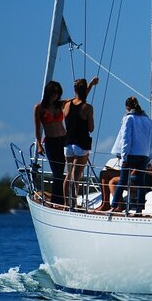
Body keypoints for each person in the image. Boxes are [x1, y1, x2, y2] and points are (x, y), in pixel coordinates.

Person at [109, 97, 152, 213]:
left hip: (130, 154)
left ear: (127, 108)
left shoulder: (128, 119)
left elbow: (126, 139)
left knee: (123, 180)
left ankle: (114, 206)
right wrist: (150, 159)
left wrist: (124, 157)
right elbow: (151, 141)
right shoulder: (148, 120)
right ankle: (139, 209)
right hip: (143, 155)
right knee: (140, 182)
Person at [63, 77, 99, 207]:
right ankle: (73, 203)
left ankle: (67, 202)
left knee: (68, 175)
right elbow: (91, 128)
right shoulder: (88, 108)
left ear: (74, 89)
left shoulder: (67, 104)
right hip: (81, 143)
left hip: (67, 143)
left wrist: (90, 85)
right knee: (76, 177)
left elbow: (78, 99)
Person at [33, 81, 67, 204]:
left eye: (58, 93)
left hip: (63, 139)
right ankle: (57, 200)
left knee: (62, 171)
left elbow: (78, 99)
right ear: (48, 92)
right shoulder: (39, 107)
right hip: (51, 141)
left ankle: (61, 199)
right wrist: (38, 144)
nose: (56, 95)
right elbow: (37, 128)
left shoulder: (60, 105)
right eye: (54, 93)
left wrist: (89, 85)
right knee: (56, 171)